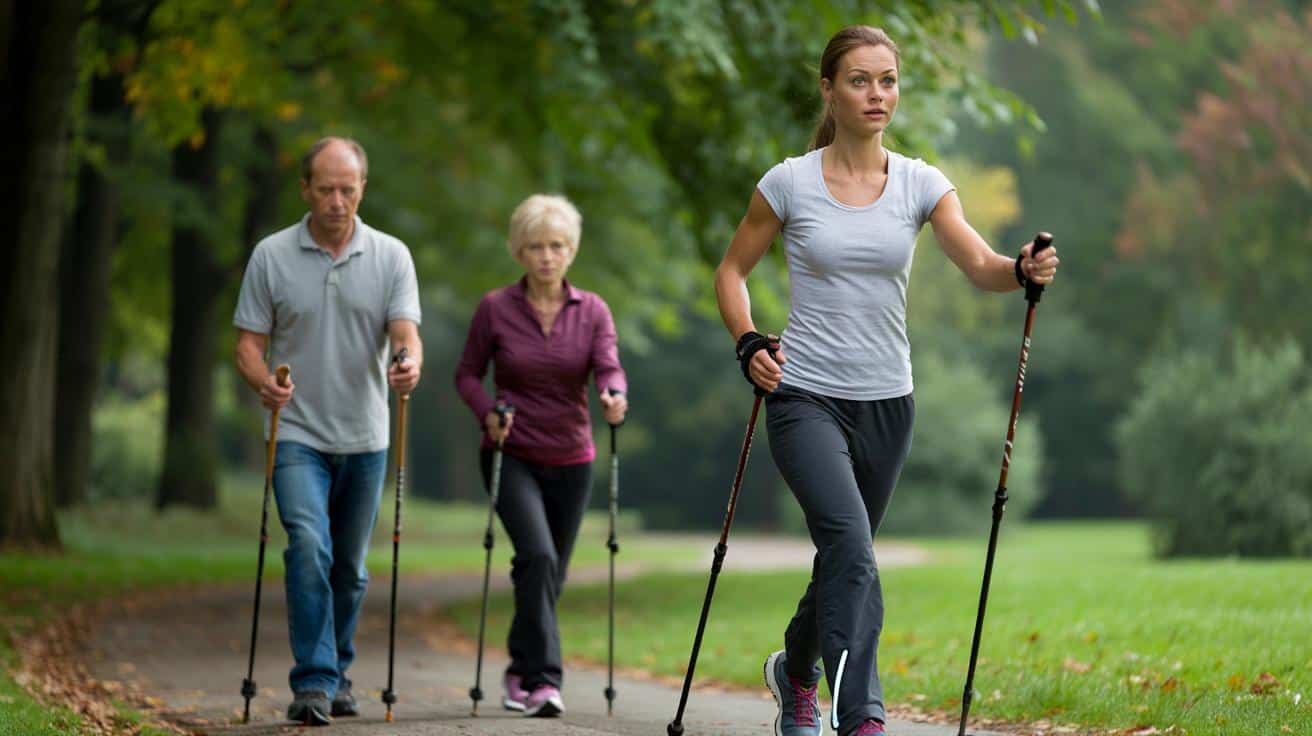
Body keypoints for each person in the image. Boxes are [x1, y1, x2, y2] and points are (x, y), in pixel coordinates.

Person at [714, 25, 1059, 736]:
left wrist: (1020, 270)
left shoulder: (920, 183)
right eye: (860, 80)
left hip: (887, 405)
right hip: (803, 396)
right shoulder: (787, 183)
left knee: (846, 555)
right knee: (852, 550)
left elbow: (981, 264)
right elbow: (730, 272)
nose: (877, 95)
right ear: (828, 90)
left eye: (888, 81)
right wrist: (748, 340)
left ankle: (795, 670)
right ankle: (862, 716)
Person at [234, 136, 423, 726]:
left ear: (362, 188)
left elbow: (405, 333)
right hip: (296, 434)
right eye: (326, 189)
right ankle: (313, 682)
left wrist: (408, 361)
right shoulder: (271, 255)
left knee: (350, 567)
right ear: (305, 190)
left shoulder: (392, 255)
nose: (338, 200)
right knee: (308, 547)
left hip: (366, 437)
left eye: (348, 188)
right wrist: (265, 381)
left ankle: (339, 671)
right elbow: (247, 344)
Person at [455, 193, 628, 718]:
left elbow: (609, 367)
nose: (546, 256)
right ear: (519, 252)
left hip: (573, 458)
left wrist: (614, 395)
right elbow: (466, 374)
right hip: (512, 454)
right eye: (535, 247)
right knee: (539, 557)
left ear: (571, 250)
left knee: (547, 574)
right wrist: (487, 409)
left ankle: (517, 669)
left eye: (556, 246)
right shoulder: (495, 308)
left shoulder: (592, 309)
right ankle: (544, 681)